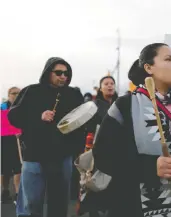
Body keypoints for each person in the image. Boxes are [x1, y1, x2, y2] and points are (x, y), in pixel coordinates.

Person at [93, 43, 171, 217]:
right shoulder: (126, 106)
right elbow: (103, 156)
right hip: (139, 206)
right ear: (148, 67)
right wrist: (149, 166)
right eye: (168, 59)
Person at [8, 57, 85, 217]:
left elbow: (81, 123)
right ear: (48, 72)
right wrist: (39, 116)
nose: (63, 76)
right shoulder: (31, 91)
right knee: (31, 203)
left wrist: (78, 149)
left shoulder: (73, 94)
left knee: (59, 203)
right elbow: (13, 116)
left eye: (66, 73)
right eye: (59, 72)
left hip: (62, 155)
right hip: (35, 155)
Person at [77, 75, 119, 217]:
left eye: (112, 83)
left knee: (115, 184)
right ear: (100, 88)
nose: (110, 86)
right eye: (106, 83)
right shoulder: (94, 106)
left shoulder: (120, 104)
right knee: (96, 182)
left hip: (117, 150)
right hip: (98, 149)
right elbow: (88, 127)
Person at [1, 87, 22, 204]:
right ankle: (5, 191)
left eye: (19, 93)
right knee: (5, 170)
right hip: (4, 141)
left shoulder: (23, 106)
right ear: (9, 94)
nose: (16, 95)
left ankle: (18, 193)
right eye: (14, 93)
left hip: (18, 140)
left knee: (18, 168)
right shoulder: (2, 107)